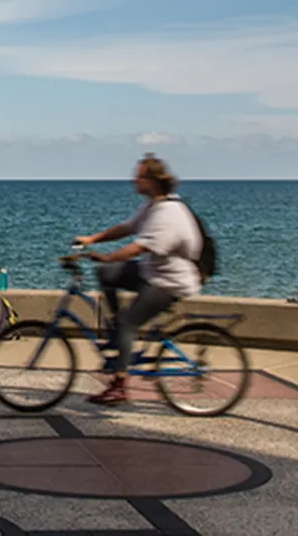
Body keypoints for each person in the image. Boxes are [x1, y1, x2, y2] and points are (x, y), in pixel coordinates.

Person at [72, 154, 205, 405]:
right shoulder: (152, 206)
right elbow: (126, 228)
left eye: (140, 176)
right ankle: (117, 328)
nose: (135, 180)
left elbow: (138, 248)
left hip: (169, 282)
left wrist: (108, 257)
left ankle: (120, 385)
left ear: (153, 181)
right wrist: (92, 239)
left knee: (128, 324)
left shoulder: (169, 213)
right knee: (105, 275)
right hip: (151, 272)